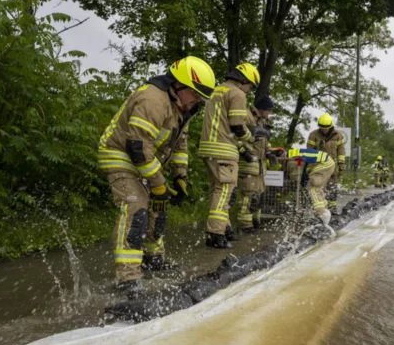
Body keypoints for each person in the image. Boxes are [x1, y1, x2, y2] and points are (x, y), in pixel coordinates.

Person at [97, 56, 215, 296]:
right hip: (121, 155)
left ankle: (153, 258)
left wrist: (180, 178)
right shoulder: (153, 99)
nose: (198, 101)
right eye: (195, 94)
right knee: (137, 212)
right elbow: (137, 147)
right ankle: (127, 279)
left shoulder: (182, 109)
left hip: (145, 160)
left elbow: (179, 146)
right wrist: (159, 183)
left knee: (158, 211)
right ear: (179, 86)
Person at [199, 63, 260, 249]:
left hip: (209, 148)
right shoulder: (237, 94)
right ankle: (215, 234)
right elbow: (237, 127)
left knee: (217, 191)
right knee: (225, 191)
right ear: (244, 80)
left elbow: (224, 125)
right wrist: (252, 137)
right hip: (223, 150)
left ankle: (224, 229)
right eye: (250, 87)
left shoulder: (217, 91)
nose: (249, 92)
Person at [273, 148, 336, 224]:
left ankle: (321, 215)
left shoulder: (291, 160)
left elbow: (296, 178)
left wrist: (289, 187)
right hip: (327, 162)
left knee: (313, 188)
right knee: (317, 189)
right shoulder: (293, 154)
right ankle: (325, 212)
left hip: (325, 163)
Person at [237, 126, 273, 233]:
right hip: (248, 169)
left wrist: (270, 153)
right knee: (248, 198)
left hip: (260, 171)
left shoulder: (262, 127)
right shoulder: (247, 124)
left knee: (258, 198)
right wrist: (244, 152)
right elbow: (237, 141)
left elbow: (267, 145)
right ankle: (245, 225)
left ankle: (255, 221)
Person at [307, 114, 345, 213]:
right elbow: (310, 152)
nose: (324, 130)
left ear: (331, 126)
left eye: (326, 128)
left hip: (333, 167)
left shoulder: (338, 135)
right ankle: (321, 210)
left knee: (332, 187)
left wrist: (341, 165)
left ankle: (332, 208)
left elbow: (341, 151)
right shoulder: (313, 135)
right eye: (322, 128)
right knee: (318, 187)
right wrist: (310, 168)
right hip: (319, 167)